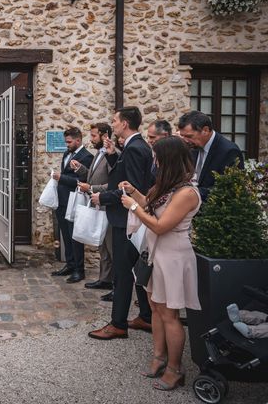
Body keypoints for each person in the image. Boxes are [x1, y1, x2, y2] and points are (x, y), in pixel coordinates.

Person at [119, 136, 202, 391]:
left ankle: (175, 369)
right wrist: (135, 193)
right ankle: (158, 357)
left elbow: (161, 225)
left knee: (170, 314)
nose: (153, 161)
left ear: (168, 160)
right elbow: (150, 205)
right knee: (155, 307)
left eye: (156, 157)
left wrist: (133, 207)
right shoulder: (166, 185)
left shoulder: (187, 192)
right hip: (155, 253)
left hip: (173, 255)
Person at [88, 106, 154, 340]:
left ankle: (118, 324)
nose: (113, 124)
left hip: (127, 219)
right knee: (134, 269)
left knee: (123, 272)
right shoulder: (133, 146)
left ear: (125, 123)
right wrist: (114, 154)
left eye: (115, 121)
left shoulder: (136, 148)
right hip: (128, 217)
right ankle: (146, 317)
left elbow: (131, 188)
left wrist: (101, 197)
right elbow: (124, 174)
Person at [74, 123, 115, 296]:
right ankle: (104, 279)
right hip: (98, 206)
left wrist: (91, 188)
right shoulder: (99, 153)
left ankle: (115, 285)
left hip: (108, 206)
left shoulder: (113, 156)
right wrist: (81, 170)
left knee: (111, 248)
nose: (91, 139)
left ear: (105, 136)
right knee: (103, 247)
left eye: (93, 136)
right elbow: (92, 175)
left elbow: (112, 184)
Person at [51, 127, 93, 283]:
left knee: (75, 236)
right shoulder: (66, 154)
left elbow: (82, 182)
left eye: (69, 142)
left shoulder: (87, 157)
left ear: (78, 140)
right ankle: (69, 264)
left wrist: (60, 178)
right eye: (66, 141)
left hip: (75, 201)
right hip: (62, 201)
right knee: (65, 235)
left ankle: (79, 270)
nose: (66, 145)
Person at [177, 110, 244, 202]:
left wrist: (192, 194)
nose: (185, 140)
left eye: (189, 136)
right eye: (182, 136)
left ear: (205, 130)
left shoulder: (228, 151)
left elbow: (229, 189)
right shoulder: (192, 146)